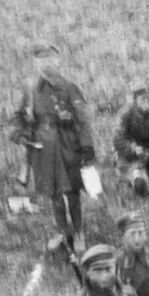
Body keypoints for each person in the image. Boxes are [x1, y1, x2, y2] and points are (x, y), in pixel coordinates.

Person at [8, 41, 96, 255]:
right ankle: (63, 231)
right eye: (41, 60)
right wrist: (20, 133)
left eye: (50, 59)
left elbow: (83, 120)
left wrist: (86, 147)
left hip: (68, 146)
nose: (46, 65)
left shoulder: (69, 88)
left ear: (58, 61)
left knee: (72, 193)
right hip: (42, 149)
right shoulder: (30, 89)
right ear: (35, 63)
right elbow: (17, 116)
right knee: (54, 194)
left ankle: (79, 231)